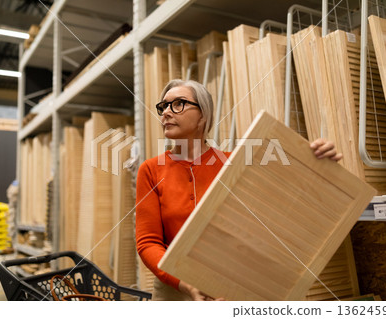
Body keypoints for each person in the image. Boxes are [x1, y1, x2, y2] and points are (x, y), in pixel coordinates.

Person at [135, 79, 343, 301]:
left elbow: (291, 201)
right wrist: (184, 283)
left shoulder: (235, 164)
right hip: (174, 290)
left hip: (235, 284)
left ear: (203, 115)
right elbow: (148, 242)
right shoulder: (150, 170)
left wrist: (320, 160)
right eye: (163, 106)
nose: (166, 112)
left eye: (178, 104)